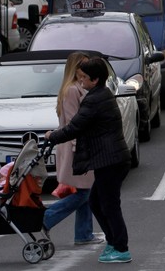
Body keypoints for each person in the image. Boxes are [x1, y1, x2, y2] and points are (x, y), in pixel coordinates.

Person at [45, 56, 133, 264]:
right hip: (108, 159)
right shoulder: (101, 94)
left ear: (95, 80)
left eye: (84, 77)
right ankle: (113, 241)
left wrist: (52, 136)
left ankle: (121, 247)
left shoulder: (94, 99)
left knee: (109, 205)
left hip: (110, 160)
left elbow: (75, 126)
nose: (81, 80)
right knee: (95, 201)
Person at [42, 52, 104, 246]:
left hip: (76, 147)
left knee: (86, 190)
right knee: (84, 192)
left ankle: (84, 233)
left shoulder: (77, 88)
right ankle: (46, 218)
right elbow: (73, 123)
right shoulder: (72, 90)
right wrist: (79, 150)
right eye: (82, 66)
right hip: (74, 148)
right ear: (74, 69)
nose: (86, 69)